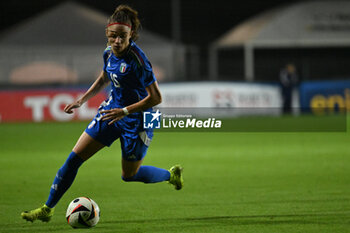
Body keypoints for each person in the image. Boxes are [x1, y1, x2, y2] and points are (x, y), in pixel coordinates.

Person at [21, 5, 183, 223]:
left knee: (129, 175)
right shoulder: (108, 52)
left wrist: (124, 111)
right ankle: (47, 209)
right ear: (107, 35)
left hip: (140, 119)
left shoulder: (138, 61)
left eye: (122, 37)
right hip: (110, 113)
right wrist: (82, 99)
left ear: (131, 35)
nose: (117, 41)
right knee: (73, 160)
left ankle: (170, 175)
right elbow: (104, 77)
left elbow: (156, 98)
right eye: (113, 36)